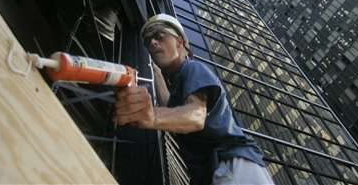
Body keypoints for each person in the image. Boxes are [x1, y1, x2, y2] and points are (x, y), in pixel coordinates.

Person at [115, 13, 275, 185]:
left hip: (233, 166)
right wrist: (157, 73)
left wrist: (152, 115)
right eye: (148, 42)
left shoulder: (193, 68)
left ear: (179, 42)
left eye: (159, 37)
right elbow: (170, 105)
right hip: (211, 174)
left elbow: (195, 117)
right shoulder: (178, 86)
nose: (152, 44)